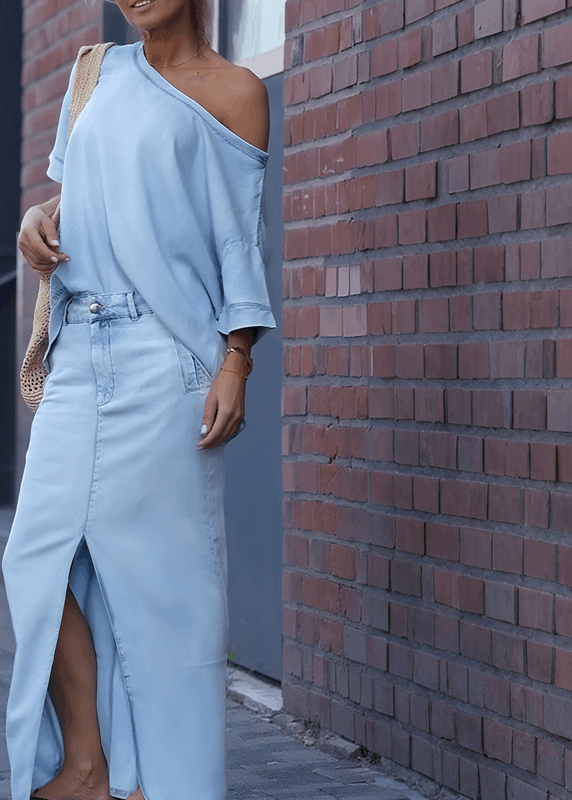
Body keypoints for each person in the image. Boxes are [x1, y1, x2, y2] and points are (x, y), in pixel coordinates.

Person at [3, 0, 276, 799]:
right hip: (77, 357)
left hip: (166, 362)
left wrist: (237, 361)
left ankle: (167, 784)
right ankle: (88, 766)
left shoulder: (237, 90)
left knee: (164, 600)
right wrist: (37, 220)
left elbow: (238, 239)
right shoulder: (94, 71)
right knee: (33, 562)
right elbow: (78, 202)